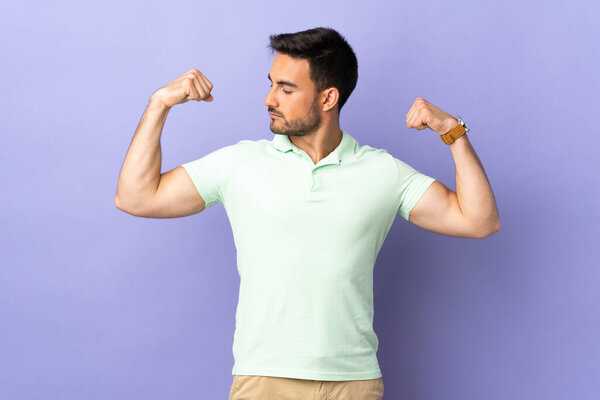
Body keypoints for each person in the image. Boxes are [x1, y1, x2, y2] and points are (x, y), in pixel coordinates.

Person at [115, 26, 500, 400]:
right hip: (265, 380)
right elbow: (136, 197)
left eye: (286, 88)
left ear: (328, 98)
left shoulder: (382, 171)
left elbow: (478, 220)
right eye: (271, 84)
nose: (270, 99)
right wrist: (159, 104)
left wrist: (454, 132)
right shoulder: (239, 163)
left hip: (354, 383)